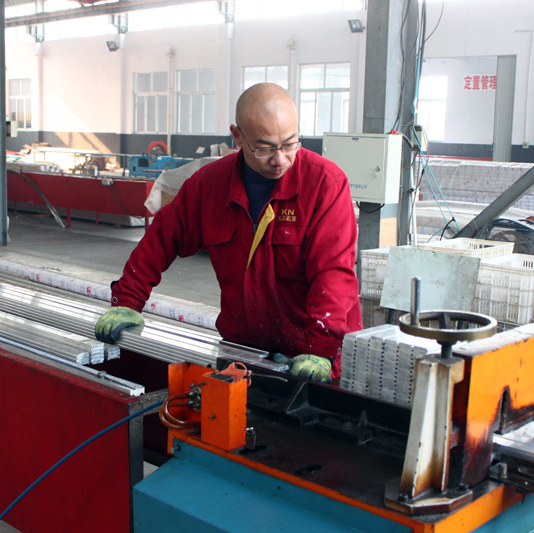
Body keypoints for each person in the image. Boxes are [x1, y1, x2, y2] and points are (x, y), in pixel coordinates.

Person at [95, 83, 362, 383]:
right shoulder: (210, 185)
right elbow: (162, 238)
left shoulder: (325, 185)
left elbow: (333, 274)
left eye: (289, 144)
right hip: (244, 352)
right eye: (264, 148)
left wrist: (320, 349)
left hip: (316, 358)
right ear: (237, 136)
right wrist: (127, 302)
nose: (280, 159)